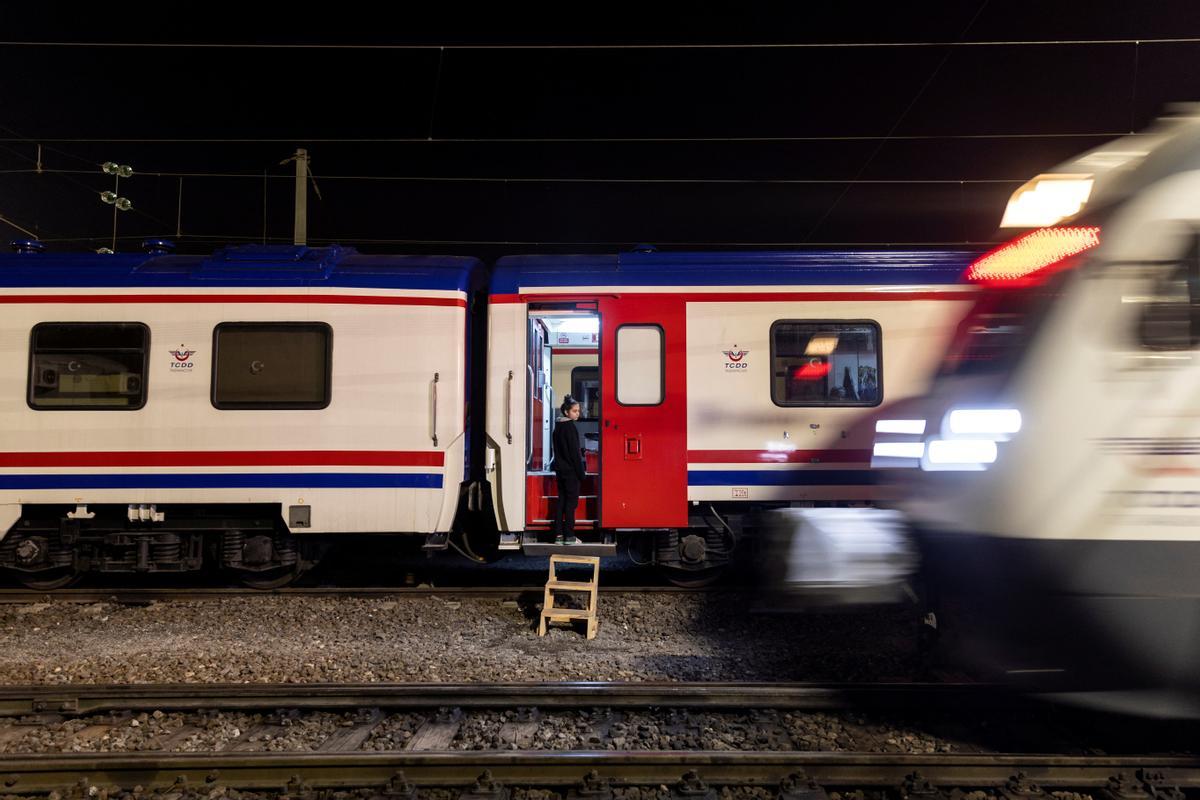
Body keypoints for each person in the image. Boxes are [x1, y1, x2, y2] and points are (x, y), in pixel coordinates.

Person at [551, 395, 586, 545]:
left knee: (561, 502)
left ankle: (558, 535)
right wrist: (581, 474)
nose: (578, 413)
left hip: (560, 470)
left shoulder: (557, 427)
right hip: (571, 472)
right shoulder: (570, 428)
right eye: (574, 411)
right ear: (566, 412)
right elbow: (574, 454)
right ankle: (570, 536)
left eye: (578, 411)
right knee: (571, 504)